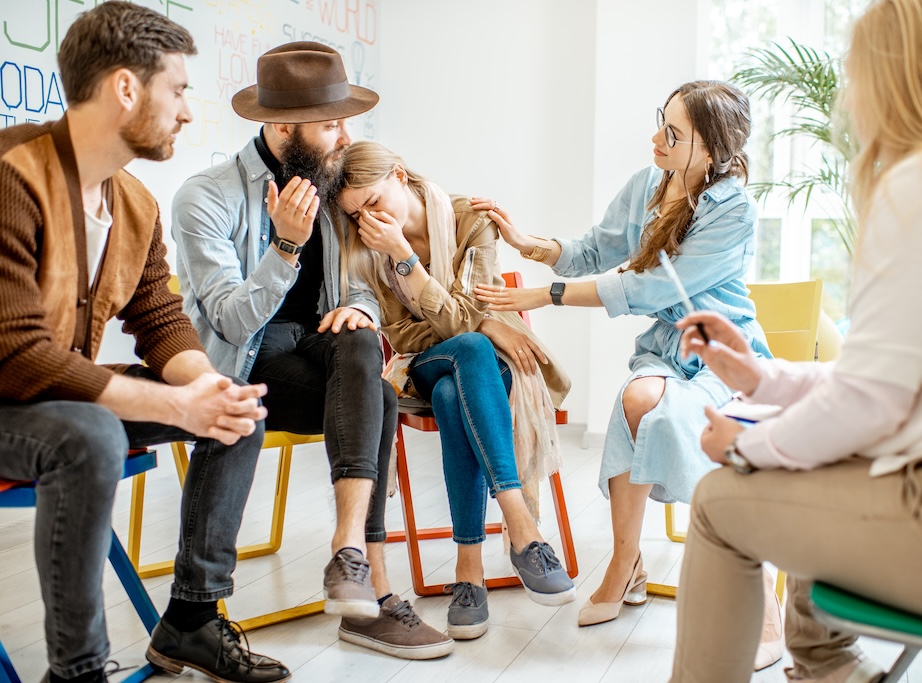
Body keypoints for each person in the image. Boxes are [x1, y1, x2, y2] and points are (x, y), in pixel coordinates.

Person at [669, 1, 922, 681]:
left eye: (854, 74)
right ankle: (832, 667)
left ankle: (828, 662)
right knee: (800, 456)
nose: (848, 98)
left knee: (717, 501)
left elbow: (872, 402)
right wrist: (760, 378)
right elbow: (900, 382)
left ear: (893, 75)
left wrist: (741, 444)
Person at [0, 4, 290, 682]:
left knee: (232, 410)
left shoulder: (134, 202)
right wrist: (173, 404)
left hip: (50, 395)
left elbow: (158, 317)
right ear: (126, 88)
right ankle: (76, 670)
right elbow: (15, 354)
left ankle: (190, 617)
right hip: (14, 397)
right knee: (92, 433)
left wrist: (201, 388)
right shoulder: (13, 175)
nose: (188, 111)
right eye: (179, 90)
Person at [473, 80, 781, 667]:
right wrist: (525, 242)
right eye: (659, 123)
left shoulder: (733, 208)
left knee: (700, 430)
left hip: (724, 351)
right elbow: (598, 248)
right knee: (635, 400)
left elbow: (648, 287)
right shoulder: (649, 184)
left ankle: (759, 595)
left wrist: (546, 296)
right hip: (667, 349)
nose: (656, 140)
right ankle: (625, 561)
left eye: (673, 133)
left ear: (711, 150)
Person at [172, 43, 452, 659]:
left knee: (362, 356)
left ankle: (346, 552)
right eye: (330, 124)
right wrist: (286, 248)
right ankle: (371, 598)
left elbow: (359, 286)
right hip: (249, 360)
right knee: (365, 391)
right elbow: (229, 320)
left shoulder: (332, 185)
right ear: (280, 127)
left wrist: (364, 309)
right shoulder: (206, 197)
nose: (344, 135)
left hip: (322, 354)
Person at [336, 140, 577, 639]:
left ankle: (469, 571)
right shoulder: (366, 248)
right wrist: (474, 320)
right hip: (424, 364)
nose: (368, 221)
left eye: (374, 201)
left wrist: (420, 276)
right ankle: (522, 528)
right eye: (356, 214)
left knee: (453, 391)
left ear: (399, 176)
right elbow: (406, 336)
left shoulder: (471, 219)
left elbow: (469, 312)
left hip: (497, 367)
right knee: (466, 346)